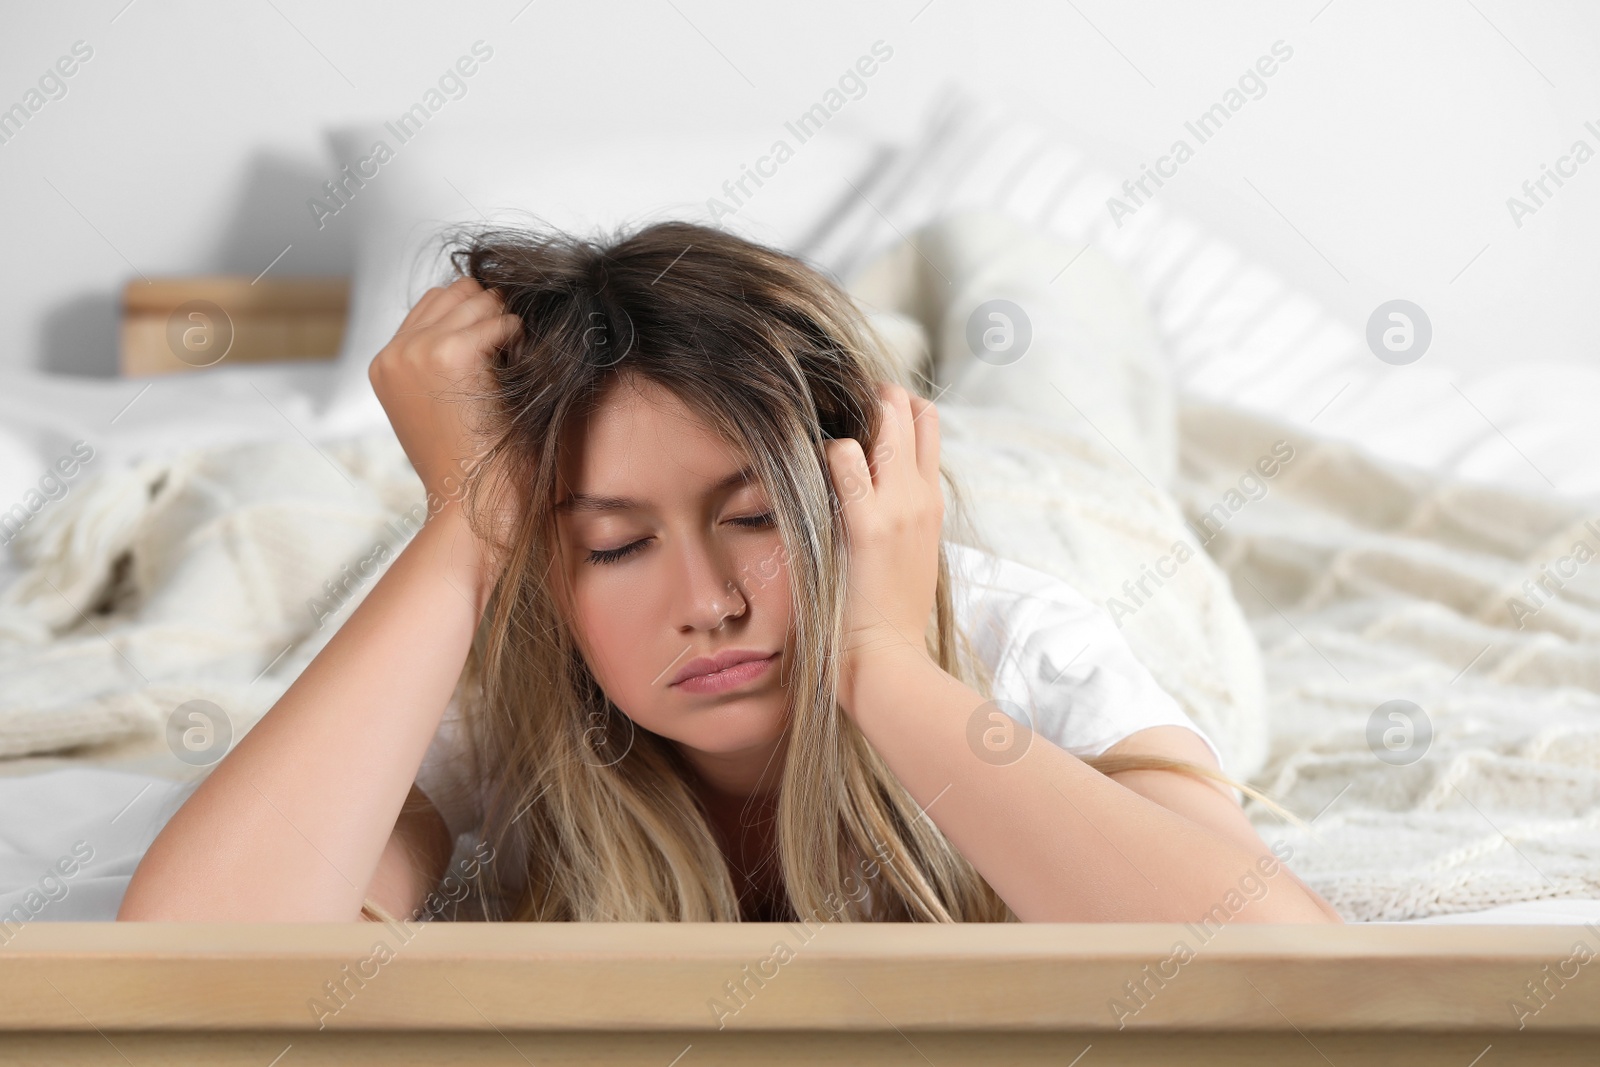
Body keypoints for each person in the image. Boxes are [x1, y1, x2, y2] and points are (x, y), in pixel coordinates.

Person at [117, 220, 1341, 925]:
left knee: (1045, 323)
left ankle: (994, 249)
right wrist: (461, 527)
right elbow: (193, 966)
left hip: (1083, 510)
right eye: (614, 542)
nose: (706, 604)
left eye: (753, 517)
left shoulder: (1028, 646)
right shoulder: (505, 701)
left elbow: (1274, 963)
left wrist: (883, 667)